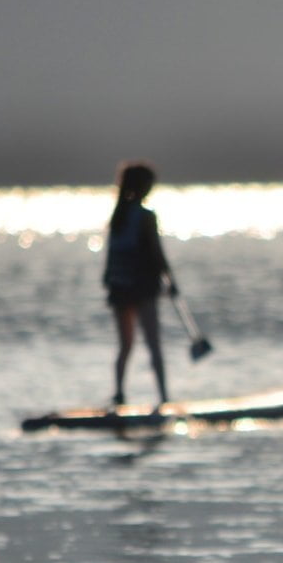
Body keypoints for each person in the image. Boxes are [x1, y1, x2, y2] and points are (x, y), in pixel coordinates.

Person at [103, 160, 176, 407]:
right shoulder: (144, 217)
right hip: (142, 287)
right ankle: (164, 398)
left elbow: (111, 257)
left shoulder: (118, 217)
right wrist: (170, 280)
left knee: (125, 346)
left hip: (120, 287)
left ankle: (119, 394)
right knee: (153, 344)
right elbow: (156, 252)